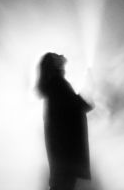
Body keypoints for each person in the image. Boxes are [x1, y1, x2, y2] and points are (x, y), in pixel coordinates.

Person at [37, 52, 93, 190]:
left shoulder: (53, 87)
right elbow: (80, 105)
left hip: (61, 153)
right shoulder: (59, 85)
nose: (64, 66)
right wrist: (88, 84)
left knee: (60, 184)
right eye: (60, 62)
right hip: (66, 153)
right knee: (63, 184)